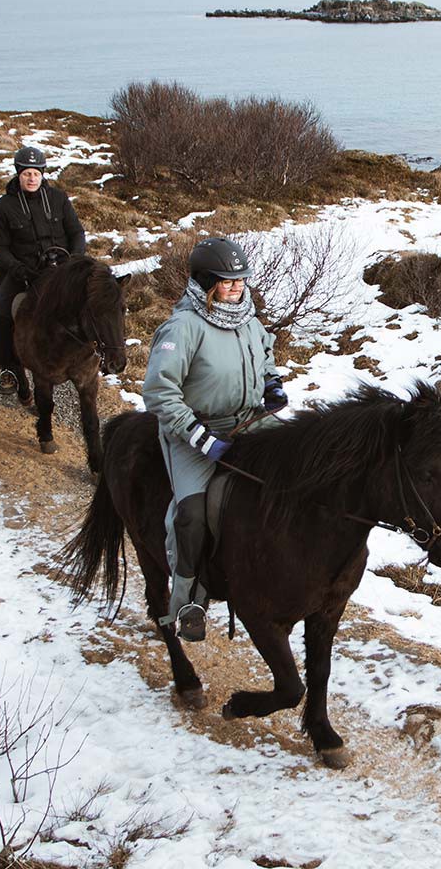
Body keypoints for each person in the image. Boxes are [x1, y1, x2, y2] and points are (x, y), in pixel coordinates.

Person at [141, 237, 287, 642]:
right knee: (191, 514)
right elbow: (158, 392)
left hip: (247, 421)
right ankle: (188, 601)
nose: (237, 287)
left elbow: (265, 351)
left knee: (300, 469)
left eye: (241, 279)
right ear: (206, 283)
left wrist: (272, 383)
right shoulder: (182, 327)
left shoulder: (248, 319)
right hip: (192, 429)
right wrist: (199, 438)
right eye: (227, 281)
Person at [0, 145, 87, 395]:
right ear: (18, 174)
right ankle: (7, 367)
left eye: (36, 173)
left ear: (43, 175)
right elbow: (0, 246)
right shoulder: (4, 206)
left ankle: (94, 358)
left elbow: (76, 233)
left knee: (95, 303)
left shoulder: (59, 199)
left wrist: (75, 261)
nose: (32, 178)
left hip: (62, 269)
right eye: (27, 173)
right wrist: (16, 268)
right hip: (25, 272)